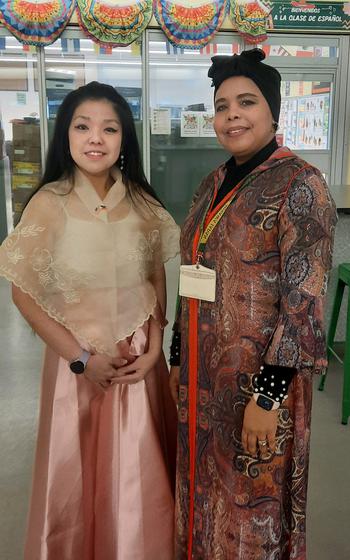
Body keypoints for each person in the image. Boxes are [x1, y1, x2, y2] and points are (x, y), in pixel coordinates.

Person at [0, 81, 179, 560]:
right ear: (66, 135)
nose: (95, 138)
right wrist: (81, 359)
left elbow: (154, 276)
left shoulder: (142, 203)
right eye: (83, 126)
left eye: (109, 128)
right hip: (76, 363)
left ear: (125, 140)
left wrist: (156, 342)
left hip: (139, 359)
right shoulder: (49, 203)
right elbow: (24, 294)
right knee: (77, 474)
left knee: (138, 472)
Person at [169, 49, 337, 559]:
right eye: (222, 106)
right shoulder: (214, 181)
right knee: (204, 493)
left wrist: (268, 398)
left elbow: (304, 303)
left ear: (274, 112)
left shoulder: (301, 184)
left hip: (259, 385)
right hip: (203, 378)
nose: (232, 115)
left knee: (251, 505)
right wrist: (179, 356)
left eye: (247, 102)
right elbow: (191, 272)